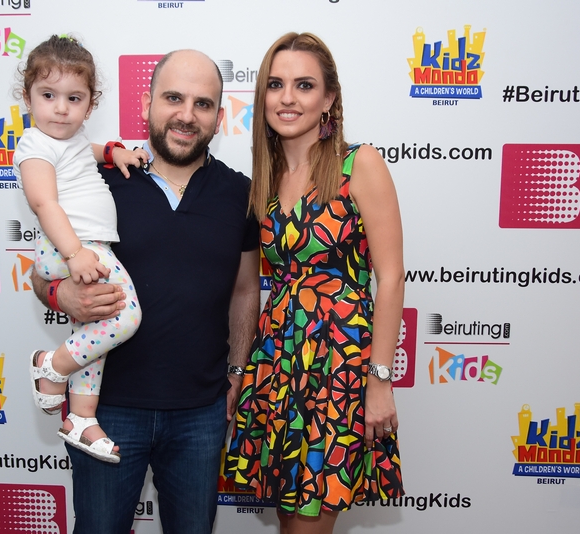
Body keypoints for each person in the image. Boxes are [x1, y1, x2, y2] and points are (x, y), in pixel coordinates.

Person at [31, 49, 261, 534]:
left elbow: (245, 291)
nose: (186, 114)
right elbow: (43, 273)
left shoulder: (241, 194)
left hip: (201, 412)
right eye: (173, 98)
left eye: (202, 103)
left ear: (219, 117)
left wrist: (238, 371)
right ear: (146, 104)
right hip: (104, 408)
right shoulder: (97, 179)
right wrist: (61, 297)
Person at [225, 32, 405, 533]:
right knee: (291, 521)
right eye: (275, 84)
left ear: (329, 99)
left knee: (308, 525)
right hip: (278, 365)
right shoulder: (263, 181)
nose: (288, 98)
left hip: (337, 370)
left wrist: (379, 382)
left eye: (304, 85)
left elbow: (391, 278)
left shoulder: (358, 164)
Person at [13, 35, 147, 463]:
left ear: (90, 106)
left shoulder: (68, 141)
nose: (61, 108)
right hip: (73, 247)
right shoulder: (34, 145)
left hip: (86, 246)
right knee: (125, 315)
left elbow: (82, 151)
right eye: (48, 95)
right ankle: (51, 366)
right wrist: (75, 254)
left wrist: (111, 151)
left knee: (95, 331)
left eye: (74, 98)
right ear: (27, 98)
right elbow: (44, 203)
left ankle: (81, 417)